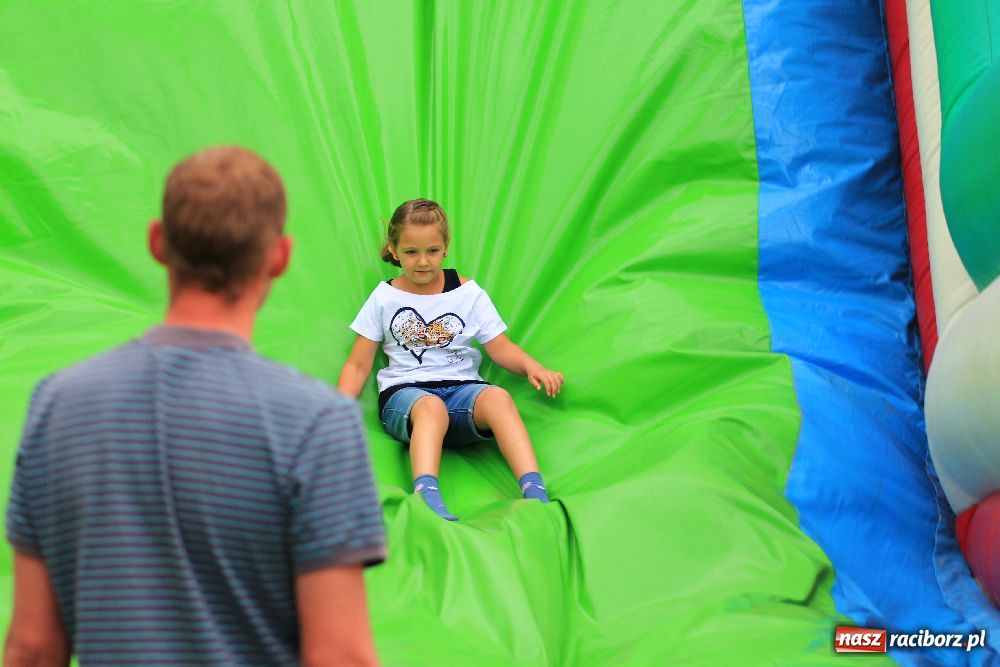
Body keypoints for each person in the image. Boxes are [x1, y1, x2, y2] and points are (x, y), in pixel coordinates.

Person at [4, 146, 386, 666]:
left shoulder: (56, 405)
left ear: (158, 242)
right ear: (280, 256)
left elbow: (32, 647)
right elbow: (340, 657)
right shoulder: (318, 424)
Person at [338, 199, 563, 521]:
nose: (422, 262)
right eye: (412, 252)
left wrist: (533, 367)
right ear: (395, 250)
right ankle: (426, 494)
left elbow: (499, 347)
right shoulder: (384, 297)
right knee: (431, 408)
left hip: (462, 394)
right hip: (407, 397)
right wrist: (338, 406)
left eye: (432, 250)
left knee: (498, 398)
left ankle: (534, 491)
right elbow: (358, 364)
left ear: (445, 248)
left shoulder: (468, 292)